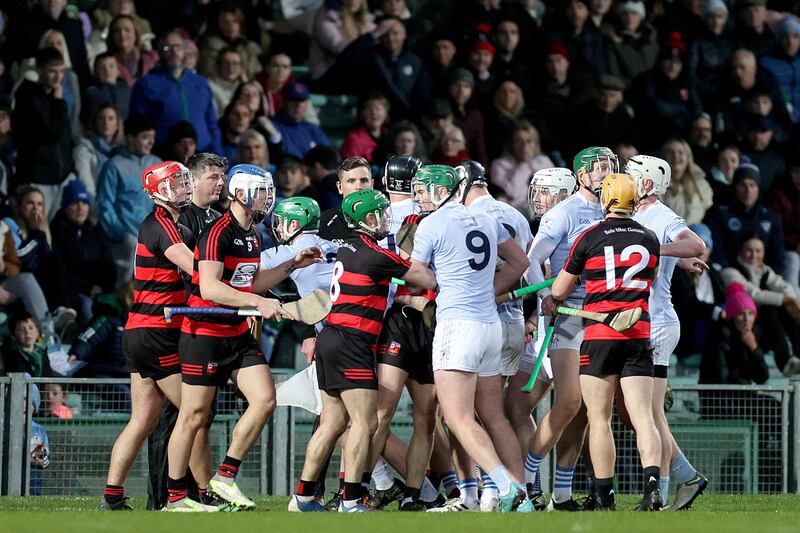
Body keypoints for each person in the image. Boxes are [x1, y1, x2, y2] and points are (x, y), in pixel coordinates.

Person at [164, 164, 322, 511]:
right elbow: (209, 286)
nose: (269, 198)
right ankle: (175, 497)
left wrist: (292, 265)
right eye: (263, 191)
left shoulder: (254, 234)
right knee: (193, 415)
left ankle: (224, 478)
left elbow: (249, 284)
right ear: (242, 193)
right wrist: (257, 302)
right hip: (204, 334)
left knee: (265, 399)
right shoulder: (217, 232)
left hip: (236, 334)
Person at [291, 188, 436, 513]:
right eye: (381, 214)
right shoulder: (377, 255)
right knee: (365, 423)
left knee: (332, 422)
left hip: (330, 337)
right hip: (352, 342)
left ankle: (302, 498)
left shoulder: (347, 250)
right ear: (367, 219)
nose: (386, 219)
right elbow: (424, 276)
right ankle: (352, 499)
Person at [410, 164, 532, 512]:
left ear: (440, 190)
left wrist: (387, 268)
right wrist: (488, 290)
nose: (419, 197)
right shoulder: (484, 218)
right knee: (493, 416)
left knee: (458, 417)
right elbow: (519, 262)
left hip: (457, 326)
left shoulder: (432, 224)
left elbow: (417, 276)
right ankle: (523, 500)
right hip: (490, 325)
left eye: (423, 190)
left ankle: (507, 488)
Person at [98, 161, 213, 512]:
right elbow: (195, 266)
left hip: (140, 329)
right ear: (158, 190)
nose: (182, 187)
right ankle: (198, 494)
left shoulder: (166, 223)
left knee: (144, 418)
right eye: (176, 183)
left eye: (182, 182)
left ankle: (112, 497)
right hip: (155, 331)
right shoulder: (162, 224)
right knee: (196, 411)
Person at [551, 172, 662, 511]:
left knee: (599, 418)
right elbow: (650, 279)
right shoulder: (650, 238)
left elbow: (558, 290)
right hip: (639, 333)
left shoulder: (589, 236)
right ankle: (653, 488)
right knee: (643, 416)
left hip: (600, 335)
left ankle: (604, 496)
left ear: (607, 199)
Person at [524, 146, 617, 511]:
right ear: (581, 176)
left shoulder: (613, 208)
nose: (606, 173)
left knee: (583, 412)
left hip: (602, 314)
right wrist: (546, 295)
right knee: (568, 401)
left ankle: (560, 493)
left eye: (610, 166)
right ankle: (527, 476)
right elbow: (533, 259)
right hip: (569, 312)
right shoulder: (565, 211)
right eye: (599, 169)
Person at [627, 154, 710, 510]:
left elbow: (696, 244)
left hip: (656, 323)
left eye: (631, 176)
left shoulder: (659, 215)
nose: (623, 181)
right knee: (644, 411)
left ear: (646, 184)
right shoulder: (638, 215)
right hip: (648, 321)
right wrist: (670, 257)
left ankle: (660, 491)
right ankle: (685, 476)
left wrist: (660, 251)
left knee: (650, 412)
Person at [145, 152, 227, 510]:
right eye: (212, 176)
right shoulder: (176, 220)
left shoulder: (218, 219)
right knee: (174, 415)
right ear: (192, 181)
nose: (220, 183)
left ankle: (196, 492)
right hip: (173, 328)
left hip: (207, 327)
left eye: (222, 176)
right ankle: (163, 495)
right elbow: (193, 270)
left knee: (199, 413)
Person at [462, 159, 534, 511]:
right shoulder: (515, 214)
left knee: (470, 414)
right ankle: (517, 490)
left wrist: (487, 293)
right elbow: (533, 272)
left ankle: (491, 490)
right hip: (514, 320)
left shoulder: (464, 217)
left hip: (478, 320)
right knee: (495, 412)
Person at [505, 166, 575, 511]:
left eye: (545, 191)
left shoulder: (575, 221)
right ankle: (530, 485)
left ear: (564, 195)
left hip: (570, 326)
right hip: (544, 328)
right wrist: (533, 315)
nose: (537, 198)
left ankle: (554, 486)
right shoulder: (544, 226)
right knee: (515, 406)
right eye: (535, 190)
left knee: (574, 409)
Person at [720, 233, 800, 376]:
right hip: (738, 327)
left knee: (789, 308)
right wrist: (785, 300)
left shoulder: (764, 270)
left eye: (758, 251)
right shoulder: (729, 272)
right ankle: (785, 362)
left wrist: (793, 302)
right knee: (772, 309)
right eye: (749, 250)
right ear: (741, 251)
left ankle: (796, 356)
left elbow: (783, 286)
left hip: (764, 326)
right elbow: (754, 294)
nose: (754, 255)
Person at [130, 30, 221, 154]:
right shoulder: (146, 84)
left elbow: (212, 123)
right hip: (164, 153)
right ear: (159, 52)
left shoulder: (201, 83)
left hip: (202, 153)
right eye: (168, 48)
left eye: (178, 47)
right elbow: (138, 124)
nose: (174, 52)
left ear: (184, 50)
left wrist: (217, 153)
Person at [96, 114, 161, 287]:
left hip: (154, 235)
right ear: (131, 138)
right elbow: (105, 204)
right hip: (126, 238)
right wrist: (120, 233)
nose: (150, 142)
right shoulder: (114, 166)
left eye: (152, 137)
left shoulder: (158, 164)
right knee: (126, 286)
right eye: (145, 137)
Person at [11, 47, 74, 218]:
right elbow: (50, 132)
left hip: (59, 175)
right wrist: (59, 102)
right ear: (39, 69)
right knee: (36, 228)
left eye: (61, 71)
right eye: (52, 71)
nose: (58, 77)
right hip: (38, 178)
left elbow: (65, 135)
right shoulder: (28, 95)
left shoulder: (52, 95)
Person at [50, 180, 116, 325]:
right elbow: (61, 271)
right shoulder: (56, 233)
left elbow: (109, 265)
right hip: (72, 294)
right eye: (75, 203)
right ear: (65, 207)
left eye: (84, 203)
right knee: (88, 311)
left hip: (100, 291)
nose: (80, 208)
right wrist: (87, 288)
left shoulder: (96, 231)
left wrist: (102, 286)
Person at [704, 164, 785, 272]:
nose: (748, 190)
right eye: (743, 185)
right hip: (730, 274)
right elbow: (717, 252)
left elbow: (778, 257)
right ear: (735, 187)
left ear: (758, 188)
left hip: (762, 274)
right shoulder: (719, 213)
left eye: (752, 185)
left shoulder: (769, 217)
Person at [73, 103, 125, 196]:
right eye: (101, 118)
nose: (106, 123)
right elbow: (86, 183)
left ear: (117, 124)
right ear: (95, 122)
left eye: (111, 118)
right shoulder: (85, 149)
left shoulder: (123, 152)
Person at [318, 157, 374, 244]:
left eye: (364, 180)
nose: (358, 187)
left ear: (372, 185)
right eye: (351, 181)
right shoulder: (322, 223)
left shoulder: (385, 221)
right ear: (340, 187)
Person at [660, 138, 713, 226]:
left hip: (697, 232)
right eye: (670, 152)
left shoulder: (702, 184)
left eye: (680, 152)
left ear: (688, 157)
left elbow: (710, 212)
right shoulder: (657, 185)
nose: (675, 156)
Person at [272, 82, 330, 158]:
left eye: (302, 100)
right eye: (293, 99)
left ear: (307, 103)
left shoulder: (312, 128)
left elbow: (328, 157)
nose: (298, 105)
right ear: (283, 101)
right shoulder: (273, 126)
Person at [106, 14, 158, 87]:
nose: (122, 34)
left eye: (127, 30)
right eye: (116, 31)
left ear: (135, 34)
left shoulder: (152, 58)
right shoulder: (106, 64)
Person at [339, 93, 390, 163]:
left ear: (386, 113)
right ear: (363, 113)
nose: (374, 113)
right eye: (370, 109)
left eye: (378, 109)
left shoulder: (391, 136)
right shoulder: (354, 139)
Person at [2, 312, 53, 377]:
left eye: (31, 328)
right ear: (13, 336)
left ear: (37, 332)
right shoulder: (12, 353)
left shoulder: (41, 350)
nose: (27, 332)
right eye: (21, 329)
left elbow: (48, 374)